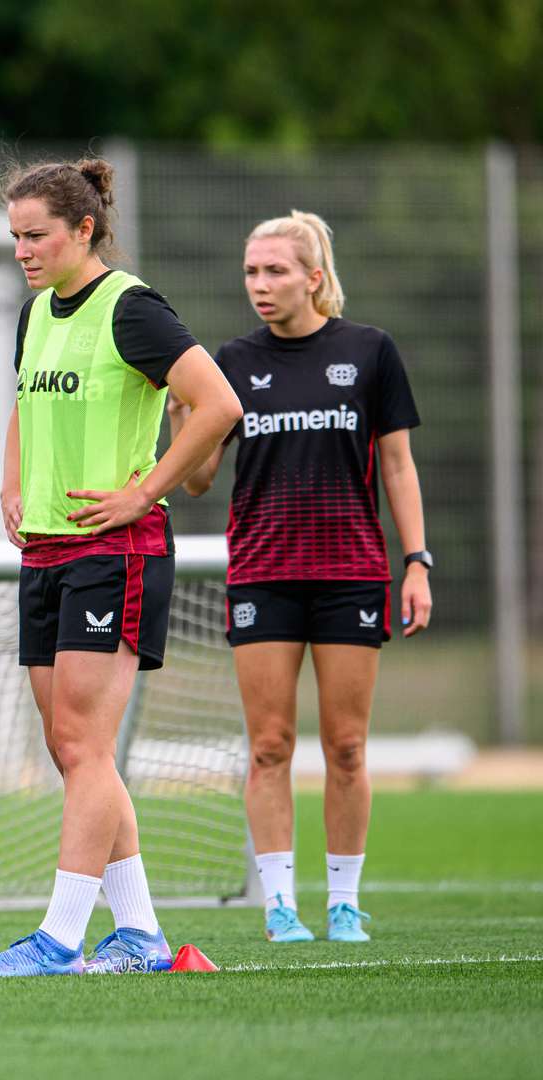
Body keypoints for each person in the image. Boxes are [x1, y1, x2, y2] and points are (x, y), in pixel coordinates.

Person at [0, 159, 243, 976]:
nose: (22, 251)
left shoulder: (132, 308)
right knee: (71, 748)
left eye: (36, 235)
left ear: (84, 229)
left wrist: (143, 491)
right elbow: (26, 401)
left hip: (114, 551)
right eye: (14, 237)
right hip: (47, 549)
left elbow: (219, 404)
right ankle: (140, 933)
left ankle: (57, 940)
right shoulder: (35, 312)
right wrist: (11, 482)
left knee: (83, 744)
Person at [176, 211, 430, 944]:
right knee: (269, 746)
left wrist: (417, 562)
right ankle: (279, 906)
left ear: (314, 278)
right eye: (251, 272)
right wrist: (181, 416)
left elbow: (397, 466)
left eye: (275, 271)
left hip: (352, 573)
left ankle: (344, 903)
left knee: (347, 747)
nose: (260, 284)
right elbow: (197, 480)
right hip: (263, 575)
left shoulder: (370, 351)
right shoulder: (231, 360)